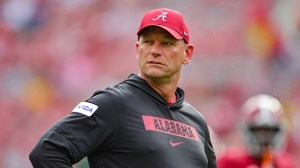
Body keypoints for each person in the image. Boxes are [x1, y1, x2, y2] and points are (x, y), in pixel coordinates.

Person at [29, 8, 217, 168]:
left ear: (187, 53)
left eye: (167, 43)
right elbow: (48, 151)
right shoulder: (113, 104)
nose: (155, 50)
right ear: (138, 49)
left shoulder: (196, 121)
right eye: (148, 42)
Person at [217, 94, 296, 168]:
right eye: (259, 131)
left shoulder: (286, 164)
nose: (264, 138)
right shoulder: (230, 162)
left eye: (270, 132)